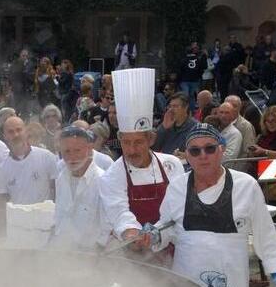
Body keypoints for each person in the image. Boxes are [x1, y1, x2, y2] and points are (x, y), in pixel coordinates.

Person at [149, 123, 276, 287]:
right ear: (187, 156)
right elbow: (166, 229)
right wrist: (152, 236)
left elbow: (265, 232)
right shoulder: (178, 186)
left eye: (209, 148)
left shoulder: (246, 185)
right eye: (194, 151)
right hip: (188, 284)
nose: (203, 156)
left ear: (222, 150)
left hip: (231, 283)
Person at [100, 68, 184, 266]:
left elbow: (178, 208)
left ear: (151, 139)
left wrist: (158, 235)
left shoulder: (171, 164)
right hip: (132, 255)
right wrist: (133, 233)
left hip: (171, 251)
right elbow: (118, 210)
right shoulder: (113, 174)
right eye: (126, 142)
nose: (131, 150)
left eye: (138, 142)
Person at [52, 126, 111, 250]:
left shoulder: (103, 181)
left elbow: (107, 229)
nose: (72, 157)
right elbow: (59, 217)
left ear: (89, 149)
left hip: (91, 257)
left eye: (77, 150)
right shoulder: (61, 178)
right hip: (62, 252)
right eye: (66, 151)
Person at [0, 116, 57, 207]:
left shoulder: (46, 157)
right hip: (18, 218)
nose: (16, 134)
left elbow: (58, 190)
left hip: (44, 217)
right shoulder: (1, 167)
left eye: (19, 130)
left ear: (26, 131)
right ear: (5, 136)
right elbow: (1, 200)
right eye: (10, 132)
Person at [153, 92, 196, 157]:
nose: (171, 110)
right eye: (170, 106)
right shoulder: (166, 125)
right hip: (166, 162)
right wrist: (163, 128)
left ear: (185, 107)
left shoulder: (195, 127)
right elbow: (155, 148)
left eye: (175, 106)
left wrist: (187, 155)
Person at [178, 43, 207, 109]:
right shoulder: (197, 59)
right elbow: (201, 69)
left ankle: (184, 109)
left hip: (185, 80)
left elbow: (180, 70)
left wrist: (179, 79)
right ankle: (192, 110)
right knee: (192, 96)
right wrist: (198, 76)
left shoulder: (184, 60)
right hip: (194, 80)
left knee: (185, 96)